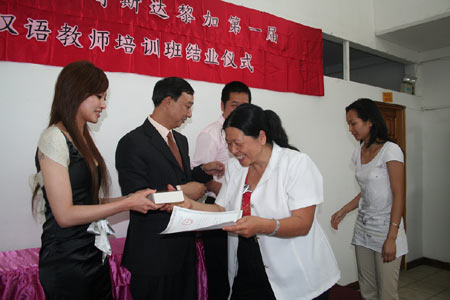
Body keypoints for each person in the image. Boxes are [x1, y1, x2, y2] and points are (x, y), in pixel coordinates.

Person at [31, 60, 159, 300]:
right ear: (76, 93)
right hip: (67, 262)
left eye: (104, 97)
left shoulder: (81, 138)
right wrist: (126, 204)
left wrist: (133, 198)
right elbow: (65, 215)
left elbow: (87, 202)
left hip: (91, 255)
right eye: (98, 96)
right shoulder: (54, 138)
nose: (103, 104)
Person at [186, 103, 340, 300]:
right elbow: (221, 209)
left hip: (297, 271)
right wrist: (190, 206)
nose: (233, 150)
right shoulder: (235, 168)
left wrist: (263, 225)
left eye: (238, 143)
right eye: (228, 143)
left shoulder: (296, 164)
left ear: (261, 137)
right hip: (249, 265)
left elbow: (303, 223)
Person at [115, 76, 225, 300]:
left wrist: (203, 171)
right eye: (187, 105)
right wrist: (182, 192)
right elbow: (136, 198)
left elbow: (178, 177)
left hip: (183, 250)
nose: (190, 114)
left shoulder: (181, 140)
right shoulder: (132, 143)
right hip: (153, 253)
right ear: (167, 101)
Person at [331, 98, 408, 300]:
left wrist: (392, 237)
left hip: (386, 230)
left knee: (387, 293)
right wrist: (344, 210)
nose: (350, 129)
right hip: (363, 229)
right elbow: (368, 191)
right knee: (367, 290)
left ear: (370, 122)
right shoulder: (359, 151)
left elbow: (398, 193)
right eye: (348, 124)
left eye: (353, 123)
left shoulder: (391, 150)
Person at [191, 81, 251, 300]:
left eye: (245, 106)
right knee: (219, 271)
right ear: (223, 106)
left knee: (242, 270)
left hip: (243, 211)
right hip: (218, 209)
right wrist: (229, 195)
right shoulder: (211, 133)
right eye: (234, 105)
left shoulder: (250, 135)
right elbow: (199, 175)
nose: (239, 111)